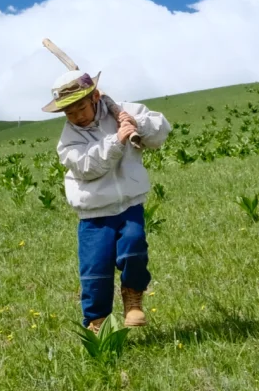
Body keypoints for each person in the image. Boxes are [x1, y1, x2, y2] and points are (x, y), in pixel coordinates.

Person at [44, 70, 171, 332]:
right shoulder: (68, 139)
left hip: (129, 203)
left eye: (81, 107)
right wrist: (117, 140)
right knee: (95, 271)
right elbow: (88, 167)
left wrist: (135, 123)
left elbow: (161, 132)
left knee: (135, 248)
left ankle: (133, 297)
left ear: (95, 97)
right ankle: (97, 325)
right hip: (93, 212)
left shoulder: (124, 110)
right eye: (70, 112)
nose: (77, 116)